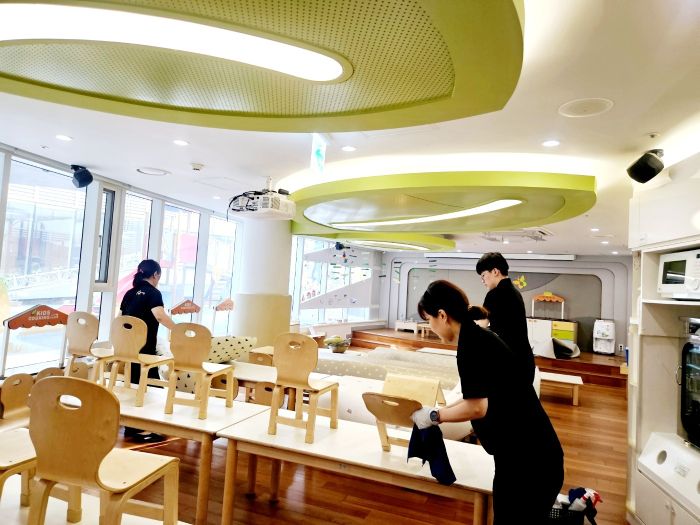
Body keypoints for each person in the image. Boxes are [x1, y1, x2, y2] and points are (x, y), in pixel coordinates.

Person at [411, 280, 563, 524]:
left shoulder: (471, 345)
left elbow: (477, 408)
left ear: (442, 315)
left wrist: (433, 417)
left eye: (428, 319)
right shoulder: (476, 337)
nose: (430, 327)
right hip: (528, 455)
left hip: (529, 462)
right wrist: (440, 411)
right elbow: (474, 397)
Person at [119, 259, 176, 442]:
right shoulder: (153, 293)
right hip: (145, 350)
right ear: (156, 275)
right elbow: (159, 315)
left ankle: (132, 426)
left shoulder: (129, 293)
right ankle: (146, 427)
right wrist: (178, 330)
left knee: (135, 384)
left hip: (128, 348)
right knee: (150, 386)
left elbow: (120, 319)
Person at [476, 252, 535, 384]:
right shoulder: (515, 292)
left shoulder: (494, 294)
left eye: (483, 275)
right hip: (525, 361)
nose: (482, 281)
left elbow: (480, 327)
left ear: (495, 271)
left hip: (509, 363)